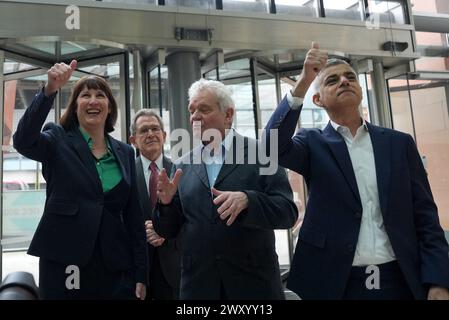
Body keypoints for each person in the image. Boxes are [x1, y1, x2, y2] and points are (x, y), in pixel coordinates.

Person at [265, 42, 449, 300]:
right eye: (332, 80)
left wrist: (439, 280)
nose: (344, 81)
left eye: (350, 77)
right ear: (317, 100)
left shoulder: (399, 143)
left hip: (400, 278)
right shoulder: (311, 142)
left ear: (361, 90)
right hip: (334, 281)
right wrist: (305, 81)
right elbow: (271, 147)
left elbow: (426, 216)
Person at [153, 79, 298, 299]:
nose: (195, 117)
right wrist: (165, 205)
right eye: (192, 111)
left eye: (204, 109)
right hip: (199, 288)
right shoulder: (182, 165)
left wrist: (249, 200)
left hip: (252, 287)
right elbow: (168, 230)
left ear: (228, 115)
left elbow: (287, 212)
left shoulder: (262, 154)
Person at [13, 60, 147, 300]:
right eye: (85, 95)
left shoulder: (125, 152)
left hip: (115, 266)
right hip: (66, 263)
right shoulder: (57, 139)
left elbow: (134, 217)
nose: (93, 100)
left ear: (109, 107)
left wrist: (141, 273)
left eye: (100, 95)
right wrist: (49, 89)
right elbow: (23, 140)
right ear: (75, 107)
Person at [130, 109, 181, 300]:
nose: (151, 134)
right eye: (144, 130)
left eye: (155, 129)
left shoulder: (180, 172)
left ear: (164, 135)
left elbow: (190, 218)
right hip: (136, 272)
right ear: (133, 140)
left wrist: (163, 230)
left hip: (174, 270)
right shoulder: (125, 175)